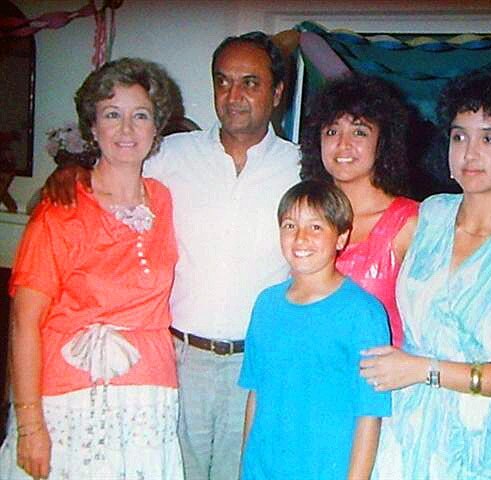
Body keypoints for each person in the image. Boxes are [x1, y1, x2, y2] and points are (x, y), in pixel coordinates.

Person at [43, 32, 300, 479]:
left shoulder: (302, 168)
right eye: (223, 82)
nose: (233, 96)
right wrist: (71, 172)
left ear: (277, 93)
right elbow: (112, 172)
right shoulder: (171, 155)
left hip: (258, 364)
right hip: (177, 360)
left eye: (250, 83)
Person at [359, 72, 491, 479]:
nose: (469, 153)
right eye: (459, 137)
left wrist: (423, 368)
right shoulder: (430, 215)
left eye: (489, 138)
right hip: (408, 432)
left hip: (487, 442)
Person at [0, 58, 182, 479]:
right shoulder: (60, 209)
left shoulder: (165, 199)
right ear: (93, 126)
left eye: (140, 116)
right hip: (69, 401)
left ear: (157, 128)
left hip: (147, 400)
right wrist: (30, 425)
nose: (125, 130)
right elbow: (24, 324)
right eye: (111, 114)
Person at [239, 179, 391, 479]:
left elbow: (369, 415)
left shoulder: (363, 312)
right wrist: (245, 468)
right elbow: (255, 394)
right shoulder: (266, 304)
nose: (301, 238)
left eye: (316, 227)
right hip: (263, 469)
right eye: (290, 226)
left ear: (341, 237)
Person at [300, 74, 418, 347]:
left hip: (378, 383)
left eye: (359, 132)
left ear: (383, 142)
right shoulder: (304, 215)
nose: (343, 144)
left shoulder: (408, 223)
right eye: (332, 131)